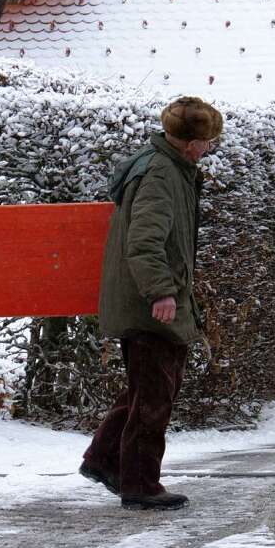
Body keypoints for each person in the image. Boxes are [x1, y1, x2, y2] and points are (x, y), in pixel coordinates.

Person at [80, 96, 222, 511]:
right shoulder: (162, 173)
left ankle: (105, 460)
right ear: (191, 142)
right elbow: (144, 242)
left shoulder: (168, 167)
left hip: (148, 297)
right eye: (208, 139)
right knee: (154, 395)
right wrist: (161, 291)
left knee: (148, 388)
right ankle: (140, 483)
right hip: (150, 301)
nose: (211, 147)